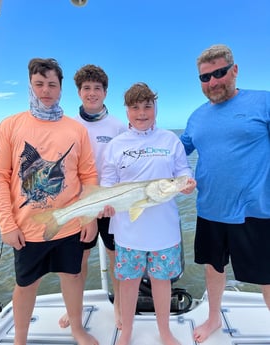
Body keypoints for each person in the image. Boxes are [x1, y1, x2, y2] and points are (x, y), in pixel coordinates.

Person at [0, 58, 102, 345]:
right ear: (30, 86)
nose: (46, 91)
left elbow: (88, 174)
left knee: (73, 276)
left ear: (61, 88)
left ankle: (77, 328)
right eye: (39, 84)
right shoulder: (9, 126)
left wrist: (89, 216)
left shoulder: (75, 129)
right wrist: (6, 223)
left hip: (69, 224)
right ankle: (20, 339)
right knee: (26, 285)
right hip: (27, 228)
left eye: (52, 84)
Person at [180, 44, 270, 343]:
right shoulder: (196, 117)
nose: (213, 82)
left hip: (256, 211)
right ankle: (213, 318)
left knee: (267, 276)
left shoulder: (263, 102)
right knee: (213, 268)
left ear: (234, 70)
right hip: (210, 209)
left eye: (219, 73)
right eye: (205, 77)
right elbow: (174, 154)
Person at [100, 82, 196, 345]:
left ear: (155, 107)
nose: (141, 113)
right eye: (135, 108)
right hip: (127, 231)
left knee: (162, 282)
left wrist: (187, 182)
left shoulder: (169, 140)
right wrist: (105, 203)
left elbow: (182, 170)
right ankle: (127, 331)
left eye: (147, 106)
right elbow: (108, 179)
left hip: (164, 230)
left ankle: (164, 331)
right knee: (129, 282)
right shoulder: (117, 144)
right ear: (127, 111)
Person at [59, 64, 126, 329]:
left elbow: (125, 167)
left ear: (105, 92)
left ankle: (119, 306)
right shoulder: (67, 125)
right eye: (86, 88)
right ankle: (73, 308)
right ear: (78, 92)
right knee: (79, 261)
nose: (92, 93)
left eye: (97, 88)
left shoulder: (119, 126)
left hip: (111, 204)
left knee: (115, 257)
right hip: (80, 205)